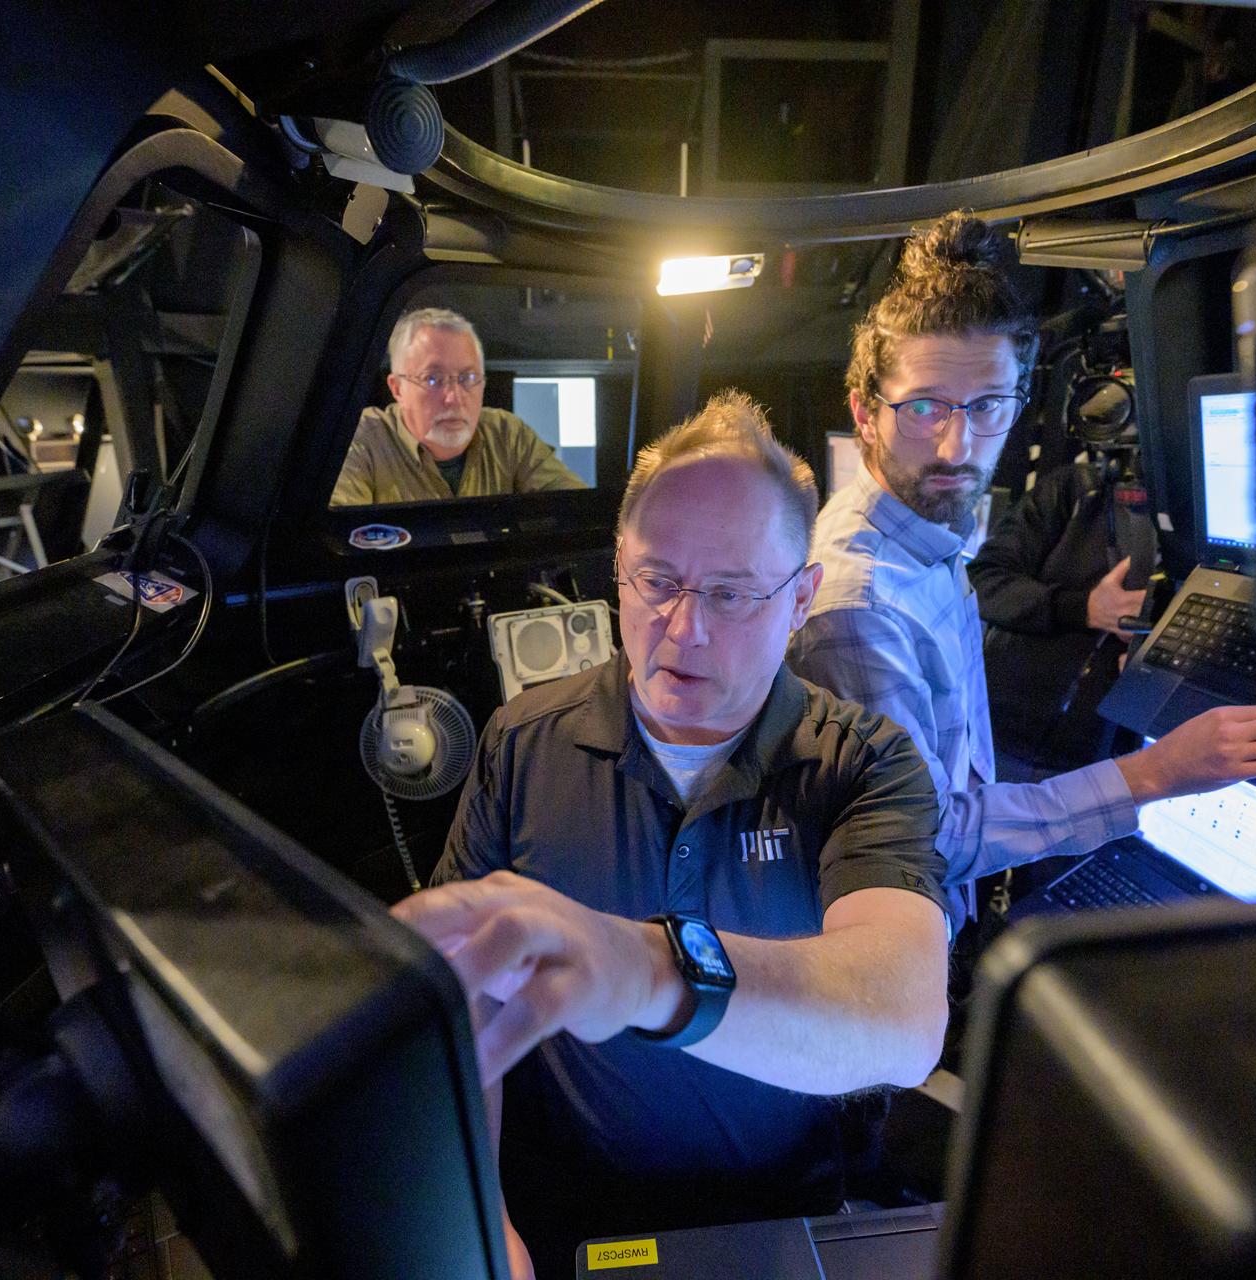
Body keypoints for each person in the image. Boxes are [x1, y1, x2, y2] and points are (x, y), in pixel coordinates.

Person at [392, 392, 951, 1279]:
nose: (683, 630)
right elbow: (467, 1005)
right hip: (559, 1220)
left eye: (731, 593)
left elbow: (903, 1017)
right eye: (658, 582)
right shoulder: (521, 742)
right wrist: (481, 1216)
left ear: (802, 597)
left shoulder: (864, 761)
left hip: (778, 1223)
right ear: (618, 568)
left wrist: (648, 969)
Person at [784, 211, 1256, 905]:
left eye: (988, 404)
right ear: (865, 412)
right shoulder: (858, 608)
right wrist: (1160, 772)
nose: (957, 448)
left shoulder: (917, 531)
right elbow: (923, 843)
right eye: (926, 407)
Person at [969, 455, 1159, 776]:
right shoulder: (1074, 488)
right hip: (994, 736)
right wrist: (1085, 609)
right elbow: (982, 582)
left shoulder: (1209, 515)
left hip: (1103, 763)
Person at [330, 306, 586, 505]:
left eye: (468, 378)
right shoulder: (362, 438)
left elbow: (577, 511)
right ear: (397, 388)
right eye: (433, 379)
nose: (453, 397)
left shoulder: (508, 434)